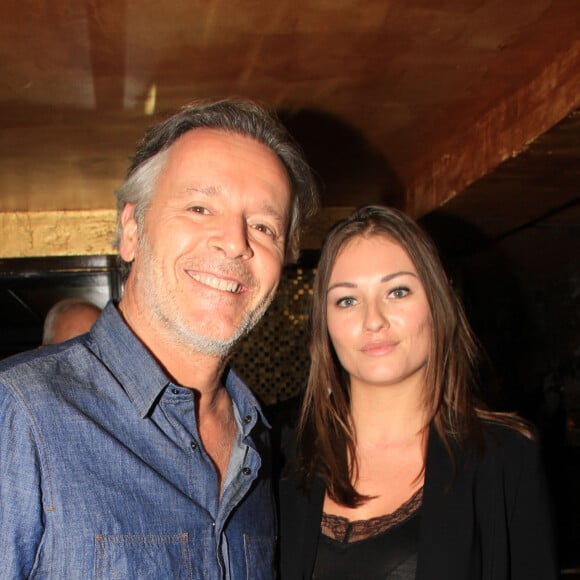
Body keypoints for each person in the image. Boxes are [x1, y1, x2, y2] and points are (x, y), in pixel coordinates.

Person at [0, 99, 318, 578]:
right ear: (131, 229)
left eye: (263, 226)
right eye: (199, 207)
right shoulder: (18, 414)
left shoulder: (260, 444)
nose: (235, 241)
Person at [277, 205, 558, 580]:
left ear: (437, 304)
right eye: (347, 300)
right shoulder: (276, 451)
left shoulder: (504, 457)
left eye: (397, 291)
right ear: (325, 323)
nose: (372, 319)